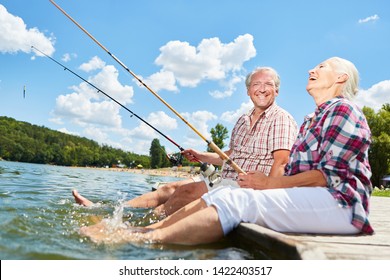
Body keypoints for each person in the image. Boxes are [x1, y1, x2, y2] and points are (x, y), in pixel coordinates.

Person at [79, 57, 374, 245]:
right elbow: (234, 156)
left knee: (234, 197)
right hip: (320, 197)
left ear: (340, 78)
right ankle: (137, 231)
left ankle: (137, 237)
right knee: (217, 193)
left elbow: (325, 176)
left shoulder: (343, 110)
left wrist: (269, 185)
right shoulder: (315, 117)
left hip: (343, 205)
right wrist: (204, 156)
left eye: (321, 67)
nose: (312, 69)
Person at [73, 66, 298, 217]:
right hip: (224, 181)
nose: (261, 89)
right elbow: (230, 157)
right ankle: (108, 210)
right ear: (248, 90)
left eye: (268, 84)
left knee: (185, 193)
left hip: (250, 190)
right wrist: (201, 156)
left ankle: (132, 226)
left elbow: (281, 163)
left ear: (276, 90)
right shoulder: (242, 119)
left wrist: (267, 199)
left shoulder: (282, 119)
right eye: (256, 84)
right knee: (168, 188)